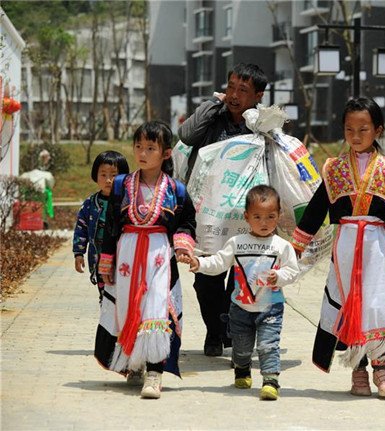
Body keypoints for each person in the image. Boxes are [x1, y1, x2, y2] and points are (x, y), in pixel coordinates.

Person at [291, 97, 385, 399]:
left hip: (376, 246)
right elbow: (317, 209)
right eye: (349, 129)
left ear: (378, 130)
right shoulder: (334, 169)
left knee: (377, 303)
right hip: (346, 244)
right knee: (348, 302)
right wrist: (298, 243)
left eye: (363, 129)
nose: (356, 136)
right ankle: (358, 367)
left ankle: (381, 367)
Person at [96, 120, 196, 399]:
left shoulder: (176, 190)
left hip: (159, 255)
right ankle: (134, 362)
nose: (142, 152)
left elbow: (188, 222)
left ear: (166, 153)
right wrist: (106, 260)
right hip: (127, 254)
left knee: (157, 308)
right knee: (129, 306)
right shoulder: (121, 185)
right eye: (138, 146)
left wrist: (182, 245)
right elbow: (111, 224)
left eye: (150, 148)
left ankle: (155, 372)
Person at [178, 63, 268, 357]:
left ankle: (230, 329)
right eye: (230, 87)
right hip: (208, 214)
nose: (234, 95)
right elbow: (186, 134)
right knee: (206, 279)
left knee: (241, 276)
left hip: (246, 216)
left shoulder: (264, 125)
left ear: (258, 95)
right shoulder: (213, 117)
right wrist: (212, 104)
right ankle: (215, 330)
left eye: (243, 90)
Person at [179, 185, 299, 401]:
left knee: (268, 345)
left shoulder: (282, 246)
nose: (264, 223)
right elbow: (219, 263)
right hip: (240, 308)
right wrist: (199, 263)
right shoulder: (237, 243)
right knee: (242, 348)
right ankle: (242, 369)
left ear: (279, 216)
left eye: (270, 217)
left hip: (271, 309)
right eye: (257, 217)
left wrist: (280, 277)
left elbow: (293, 271)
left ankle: (270, 381)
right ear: (246, 217)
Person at [73, 151, 129, 304]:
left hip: (124, 258)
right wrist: (78, 253)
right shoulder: (90, 204)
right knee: (105, 296)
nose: (108, 180)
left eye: (114, 175)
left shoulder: (128, 202)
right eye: (103, 175)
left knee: (123, 295)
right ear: (95, 176)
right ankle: (106, 312)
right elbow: (81, 229)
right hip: (99, 259)